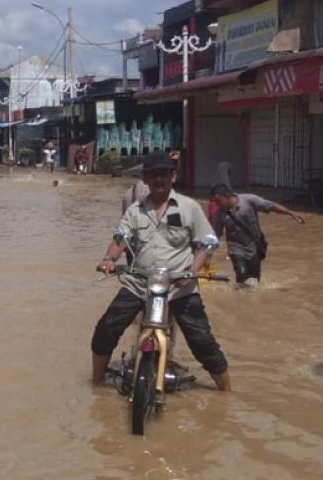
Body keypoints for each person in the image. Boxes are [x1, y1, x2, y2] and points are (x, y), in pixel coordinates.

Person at [92, 152, 231, 391]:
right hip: (139, 284)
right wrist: (109, 259)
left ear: (173, 176)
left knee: (202, 342)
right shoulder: (135, 210)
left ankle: (226, 392)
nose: (159, 179)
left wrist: (191, 270)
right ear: (145, 179)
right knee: (106, 329)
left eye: (164, 174)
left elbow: (207, 243)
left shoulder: (190, 208)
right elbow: (120, 239)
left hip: (180, 287)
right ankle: (96, 383)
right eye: (153, 174)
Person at [209, 185, 305, 286]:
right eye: (217, 203)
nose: (219, 205)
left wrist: (291, 213)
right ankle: (241, 297)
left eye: (220, 201)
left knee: (254, 280)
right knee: (241, 275)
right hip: (235, 248)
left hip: (254, 245)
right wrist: (208, 257)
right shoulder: (220, 213)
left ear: (228, 196)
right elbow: (215, 235)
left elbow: (270, 206)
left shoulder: (248, 200)